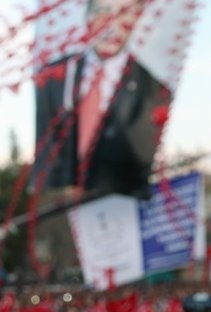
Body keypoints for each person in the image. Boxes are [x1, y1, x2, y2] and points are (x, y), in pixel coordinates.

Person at [33, 0, 170, 198]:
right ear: (87, 15)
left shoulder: (155, 92)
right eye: (103, 11)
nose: (112, 25)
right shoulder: (51, 77)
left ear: (138, 18)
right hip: (57, 209)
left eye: (124, 13)